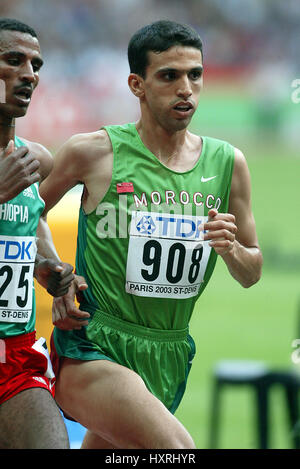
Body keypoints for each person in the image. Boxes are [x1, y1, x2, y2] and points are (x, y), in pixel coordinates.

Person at [40, 20, 263, 449]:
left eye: (195, 75)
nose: (186, 88)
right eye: (169, 76)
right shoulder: (94, 151)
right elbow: (24, 214)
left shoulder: (227, 163)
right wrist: (55, 275)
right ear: (136, 85)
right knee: (178, 452)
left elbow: (252, 270)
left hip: (168, 352)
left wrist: (229, 246)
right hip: (92, 344)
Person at [0, 18, 85, 449]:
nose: (29, 74)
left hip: (14, 359)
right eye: (12, 60)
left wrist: (51, 270)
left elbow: (34, 222)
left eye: (35, 64)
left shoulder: (35, 161)